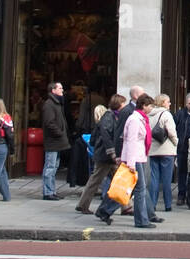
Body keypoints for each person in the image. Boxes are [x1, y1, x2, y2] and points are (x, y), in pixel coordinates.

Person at [96, 92, 158, 228]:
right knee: (139, 189)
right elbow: (130, 141)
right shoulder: (135, 120)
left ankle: (104, 210)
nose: (152, 109)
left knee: (128, 188)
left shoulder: (140, 119)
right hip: (134, 158)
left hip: (138, 157)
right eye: (150, 106)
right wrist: (130, 163)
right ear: (144, 106)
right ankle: (141, 220)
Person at [76, 92, 125, 214]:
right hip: (105, 156)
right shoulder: (109, 117)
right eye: (123, 103)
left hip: (106, 156)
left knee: (118, 180)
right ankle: (82, 204)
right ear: (118, 104)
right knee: (96, 180)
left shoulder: (113, 116)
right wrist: (113, 153)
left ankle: (126, 206)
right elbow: (106, 137)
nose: (125, 105)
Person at [147, 94, 178, 213]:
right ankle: (167, 204)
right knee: (166, 178)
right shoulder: (166, 114)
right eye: (168, 102)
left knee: (154, 178)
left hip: (153, 150)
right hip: (166, 149)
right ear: (163, 103)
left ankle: (153, 203)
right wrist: (176, 142)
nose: (169, 104)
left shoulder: (149, 115)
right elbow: (171, 132)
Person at [41, 82, 70, 201]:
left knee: (54, 166)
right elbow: (49, 123)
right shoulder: (49, 104)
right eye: (60, 88)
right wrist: (60, 133)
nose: (62, 90)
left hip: (57, 141)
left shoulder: (57, 103)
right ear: (53, 90)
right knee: (50, 166)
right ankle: (48, 192)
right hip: (53, 141)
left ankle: (51, 191)